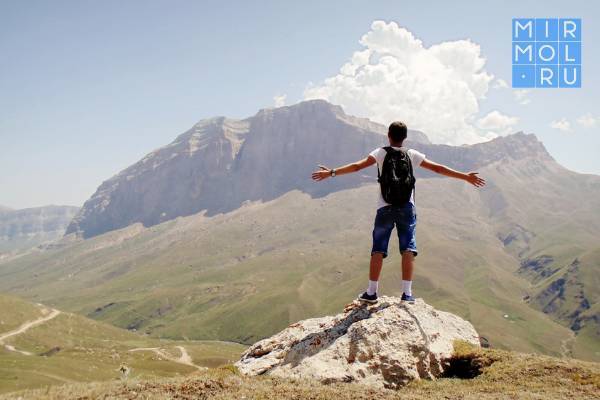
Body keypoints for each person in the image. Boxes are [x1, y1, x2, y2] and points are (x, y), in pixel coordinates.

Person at [311, 121, 485, 304]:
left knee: (378, 248)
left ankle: (371, 293)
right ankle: (407, 294)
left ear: (388, 135)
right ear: (405, 137)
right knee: (408, 248)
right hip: (407, 208)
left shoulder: (379, 153)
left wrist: (331, 173)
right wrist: (465, 176)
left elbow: (356, 167)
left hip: (384, 207)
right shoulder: (412, 154)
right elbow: (438, 169)